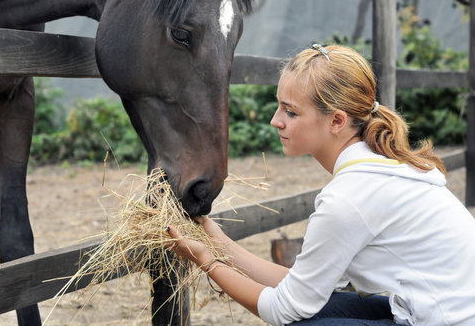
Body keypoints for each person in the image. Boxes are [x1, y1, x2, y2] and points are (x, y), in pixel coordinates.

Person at [166, 44, 475, 325]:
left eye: (291, 111)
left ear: (337, 121)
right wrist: (218, 244)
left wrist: (207, 261)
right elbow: (300, 287)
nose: (276, 120)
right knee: (319, 308)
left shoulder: (350, 197)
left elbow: (282, 310)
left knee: (307, 323)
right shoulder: (377, 167)